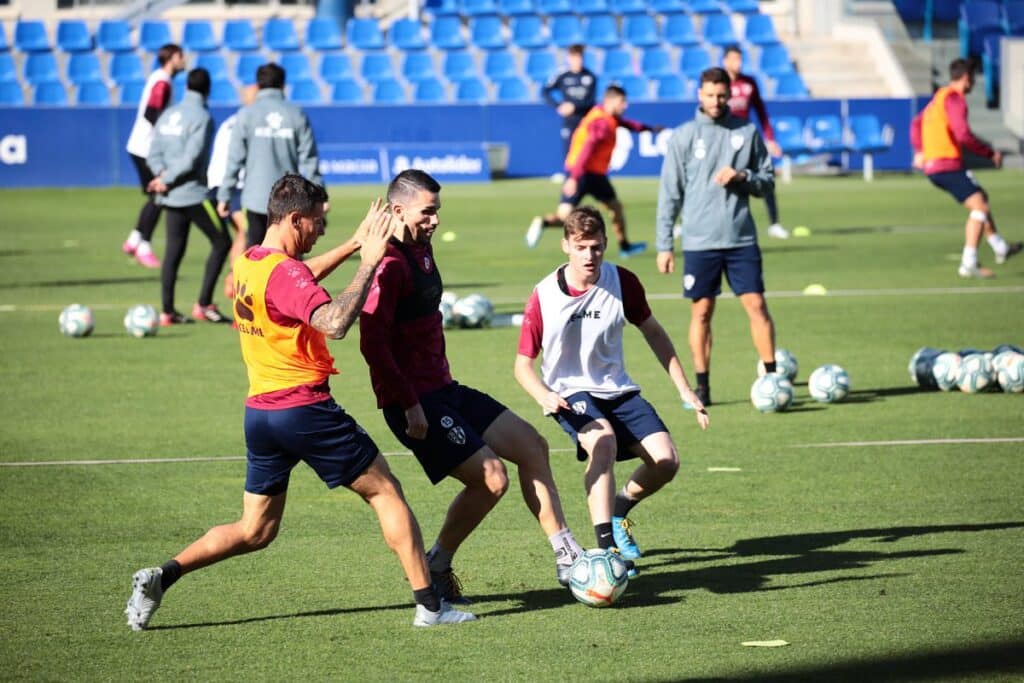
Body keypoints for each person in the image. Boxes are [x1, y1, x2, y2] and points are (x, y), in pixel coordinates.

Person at [124, 174, 475, 631]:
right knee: (387, 493)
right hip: (305, 411)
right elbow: (332, 323)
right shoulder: (288, 274)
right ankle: (431, 607)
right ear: (294, 219)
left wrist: (352, 244)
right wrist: (367, 262)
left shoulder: (250, 263)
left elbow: (296, 278)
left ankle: (161, 576)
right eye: (317, 222)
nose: (321, 231)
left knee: (256, 531)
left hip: (261, 416)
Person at [360, 169, 584, 601]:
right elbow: (373, 345)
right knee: (492, 479)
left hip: (445, 389)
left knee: (532, 446)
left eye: (437, 212)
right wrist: (409, 403)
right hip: (414, 402)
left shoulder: (422, 250)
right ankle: (437, 564)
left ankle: (566, 554)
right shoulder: (387, 265)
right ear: (397, 210)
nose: (435, 221)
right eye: (427, 213)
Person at [514, 206, 709, 565]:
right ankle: (606, 552)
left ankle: (618, 512)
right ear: (566, 246)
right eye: (581, 247)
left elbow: (654, 333)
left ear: (605, 244)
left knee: (666, 461)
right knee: (602, 441)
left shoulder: (623, 283)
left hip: (617, 389)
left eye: (597, 247)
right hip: (570, 391)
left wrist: (685, 389)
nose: (590, 256)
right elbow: (522, 365)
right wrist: (545, 395)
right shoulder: (544, 295)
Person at [654, 67, 778, 407]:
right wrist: (664, 244)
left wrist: (742, 176)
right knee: (702, 311)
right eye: (709, 94)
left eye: (721, 95)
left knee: (756, 306)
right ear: (700, 94)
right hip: (699, 241)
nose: (716, 100)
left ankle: (772, 378)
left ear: (730, 94)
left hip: (740, 239)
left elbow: (768, 181)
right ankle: (703, 386)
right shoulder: (683, 137)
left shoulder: (747, 132)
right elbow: (669, 194)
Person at [910, 58, 1022, 278]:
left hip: (935, 166)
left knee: (981, 198)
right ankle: (969, 262)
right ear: (966, 78)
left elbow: (916, 123)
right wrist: (989, 153)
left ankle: (1000, 246)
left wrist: (919, 151)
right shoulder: (954, 99)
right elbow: (962, 134)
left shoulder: (938, 98)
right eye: (973, 78)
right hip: (946, 164)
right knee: (979, 208)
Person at [526, 85, 662, 257]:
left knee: (601, 210)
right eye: (622, 102)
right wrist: (575, 178)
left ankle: (544, 222)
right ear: (611, 101)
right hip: (586, 174)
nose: (625, 106)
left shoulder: (601, 113)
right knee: (614, 208)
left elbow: (628, 124)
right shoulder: (601, 124)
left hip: (581, 171)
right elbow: (587, 148)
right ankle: (624, 247)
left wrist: (649, 129)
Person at [146, 68, 232, 326]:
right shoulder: (202, 117)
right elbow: (192, 158)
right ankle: (204, 304)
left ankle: (167, 311)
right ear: (207, 90)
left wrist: (161, 177)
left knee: (173, 252)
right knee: (222, 241)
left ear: (185, 88)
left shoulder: (169, 114)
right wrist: (169, 178)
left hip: (170, 195)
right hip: (194, 194)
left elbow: (153, 152)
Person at [217, 62, 322, 249]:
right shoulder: (296, 114)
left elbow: (234, 159)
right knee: (290, 257)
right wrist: (319, 195)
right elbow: (309, 159)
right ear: (283, 85)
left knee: (256, 254)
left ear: (258, 86)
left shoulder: (246, 114)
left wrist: (225, 195)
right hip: (289, 198)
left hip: (255, 199)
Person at [122, 43, 186, 268]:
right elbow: (152, 113)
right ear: (171, 58)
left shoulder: (161, 79)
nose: (184, 60)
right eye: (181, 56)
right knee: (160, 195)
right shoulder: (162, 81)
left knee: (156, 195)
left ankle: (135, 239)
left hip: (142, 146)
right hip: (147, 148)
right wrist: (166, 136)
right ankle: (143, 244)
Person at [722, 44, 789, 240]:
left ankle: (774, 224)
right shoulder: (719, 85)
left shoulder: (749, 84)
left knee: (764, 178)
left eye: (740, 59)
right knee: (710, 181)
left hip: (747, 141)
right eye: (734, 59)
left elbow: (761, 112)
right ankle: (687, 223)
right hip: (724, 142)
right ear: (725, 61)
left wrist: (770, 138)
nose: (738, 63)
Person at [207, 83, 259, 299]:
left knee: (240, 233)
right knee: (247, 233)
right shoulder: (251, 122)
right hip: (234, 186)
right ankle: (235, 281)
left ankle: (235, 279)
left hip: (217, 185)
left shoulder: (230, 121)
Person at [541, 43, 597, 181]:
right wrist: (558, 106)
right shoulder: (562, 76)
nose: (577, 61)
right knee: (569, 152)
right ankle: (570, 180)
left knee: (586, 151)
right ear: (569, 58)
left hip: (585, 121)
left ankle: (587, 179)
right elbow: (545, 92)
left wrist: (574, 106)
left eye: (579, 57)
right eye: (574, 57)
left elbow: (591, 101)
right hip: (570, 121)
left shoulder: (590, 77)